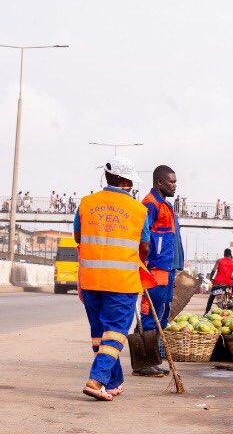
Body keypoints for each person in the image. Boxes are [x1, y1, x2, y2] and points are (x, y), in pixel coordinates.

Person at [75, 157, 151, 401]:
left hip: (91, 280)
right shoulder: (139, 210)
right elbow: (145, 248)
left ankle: (113, 381)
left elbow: (78, 236)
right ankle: (96, 381)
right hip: (121, 282)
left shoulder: (86, 203)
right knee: (116, 332)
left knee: (101, 334)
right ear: (126, 181)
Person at [134, 165, 183, 378]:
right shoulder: (150, 204)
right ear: (160, 182)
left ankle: (152, 360)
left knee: (161, 314)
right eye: (171, 181)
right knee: (149, 314)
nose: (175, 185)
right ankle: (143, 362)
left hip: (167, 269)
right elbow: (142, 237)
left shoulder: (165, 205)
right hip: (155, 268)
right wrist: (146, 265)